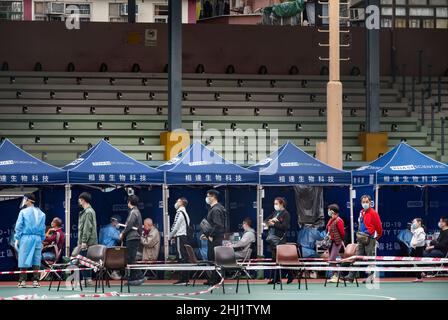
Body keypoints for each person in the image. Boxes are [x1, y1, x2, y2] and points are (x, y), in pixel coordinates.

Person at [345, 195, 383, 283]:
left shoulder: (373, 213)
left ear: (370, 202)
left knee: (370, 258)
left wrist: (375, 237)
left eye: (366, 202)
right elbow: (360, 224)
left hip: (370, 238)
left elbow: (379, 227)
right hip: (361, 238)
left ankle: (370, 278)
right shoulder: (361, 212)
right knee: (357, 256)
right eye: (363, 202)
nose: (365, 203)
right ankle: (351, 277)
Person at [14, 193, 46, 288]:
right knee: (36, 259)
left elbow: (19, 226)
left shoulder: (23, 212)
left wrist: (17, 238)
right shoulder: (42, 213)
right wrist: (42, 239)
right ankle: (36, 281)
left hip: (26, 237)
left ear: (28, 200)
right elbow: (43, 228)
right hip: (37, 238)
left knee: (23, 257)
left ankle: (22, 281)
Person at [201, 189, 227, 285]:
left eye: (208, 196)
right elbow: (213, 225)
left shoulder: (216, 209)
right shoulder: (215, 208)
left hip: (215, 238)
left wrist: (210, 235)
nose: (207, 198)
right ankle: (213, 279)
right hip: (214, 237)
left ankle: (215, 280)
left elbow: (218, 225)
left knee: (214, 258)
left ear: (213, 197)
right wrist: (207, 234)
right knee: (213, 258)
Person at [264, 197, 291, 284]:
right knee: (274, 259)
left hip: (280, 240)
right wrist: (270, 221)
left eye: (276, 204)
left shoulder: (286, 214)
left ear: (281, 204)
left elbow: (284, 227)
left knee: (281, 260)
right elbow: (266, 220)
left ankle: (291, 275)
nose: (275, 205)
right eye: (274, 204)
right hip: (272, 238)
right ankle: (276, 279)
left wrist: (274, 224)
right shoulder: (275, 212)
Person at [121, 195, 144, 286]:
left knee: (131, 258)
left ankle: (139, 276)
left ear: (129, 202)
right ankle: (134, 278)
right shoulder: (136, 211)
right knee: (131, 258)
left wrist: (123, 233)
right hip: (134, 237)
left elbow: (129, 225)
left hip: (132, 237)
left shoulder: (133, 212)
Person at [76, 192, 98, 285]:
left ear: (83, 200)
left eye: (79, 199)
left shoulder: (88, 212)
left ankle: (87, 279)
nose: (78, 201)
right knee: (85, 260)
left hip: (87, 242)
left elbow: (87, 227)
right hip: (88, 241)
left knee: (84, 260)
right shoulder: (88, 211)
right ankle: (86, 279)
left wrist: (84, 241)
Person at [169, 197, 191, 285]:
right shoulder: (185, 213)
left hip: (180, 237)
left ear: (181, 202)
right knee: (184, 257)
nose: (176, 203)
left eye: (177, 201)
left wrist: (169, 236)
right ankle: (185, 279)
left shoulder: (179, 212)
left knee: (181, 257)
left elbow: (175, 226)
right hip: (184, 237)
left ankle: (183, 279)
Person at [326, 204, 345, 283]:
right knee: (332, 259)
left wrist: (338, 239)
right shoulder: (331, 220)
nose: (328, 212)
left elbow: (342, 233)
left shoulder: (339, 220)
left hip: (337, 243)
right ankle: (334, 276)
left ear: (332, 211)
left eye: (329, 210)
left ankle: (337, 275)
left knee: (332, 259)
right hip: (331, 242)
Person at [410, 218, 426, 282]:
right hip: (415, 248)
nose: (413, 223)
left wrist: (416, 243)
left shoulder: (421, 230)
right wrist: (412, 226)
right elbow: (412, 231)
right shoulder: (417, 230)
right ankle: (422, 272)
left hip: (418, 248)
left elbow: (422, 239)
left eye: (414, 222)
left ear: (419, 222)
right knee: (414, 261)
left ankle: (419, 277)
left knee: (418, 262)